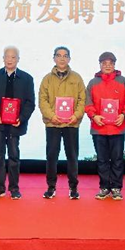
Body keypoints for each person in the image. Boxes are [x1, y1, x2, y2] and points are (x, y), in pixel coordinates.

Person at [0, 46, 36, 200]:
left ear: (18, 59)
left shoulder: (27, 78)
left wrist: (21, 118)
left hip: (15, 124)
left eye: (13, 57)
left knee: (14, 156)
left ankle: (14, 189)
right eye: (7, 57)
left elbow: (30, 103)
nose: (10, 60)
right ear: (3, 58)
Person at [85, 52, 125, 200]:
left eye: (110, 63)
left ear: (114, 65)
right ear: (99, 65)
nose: (107, 66)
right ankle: (104, 187)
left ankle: (116, 187)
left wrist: (123, 115)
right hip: (99, 128)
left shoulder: (123, 81)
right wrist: (94, 116)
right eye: (104, 63)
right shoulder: (93, 83)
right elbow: (87, 103)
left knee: (117, 159)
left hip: (117, 128)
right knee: (102, 160)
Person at [38, 46, 86, 200]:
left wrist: (76, 116)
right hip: (52, 124)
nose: (62, 58)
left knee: (72, 156)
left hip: (71, 124)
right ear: (54, 58)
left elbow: (83, 99)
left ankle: (73, 188)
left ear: (69, 59)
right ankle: (51, 187)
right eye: (59, 55)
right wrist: (51, 116)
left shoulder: (77, 78)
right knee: (52, 156)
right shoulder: (47, 79)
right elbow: (42, 100)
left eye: (65, 56)